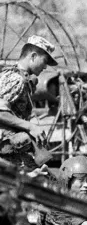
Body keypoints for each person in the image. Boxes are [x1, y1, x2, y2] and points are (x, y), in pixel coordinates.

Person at [0, 36, 58, 170]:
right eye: (44, 61)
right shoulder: (15, 79)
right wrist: (30, 127)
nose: (45, 66)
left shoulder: (21, 79)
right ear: (33, 56)